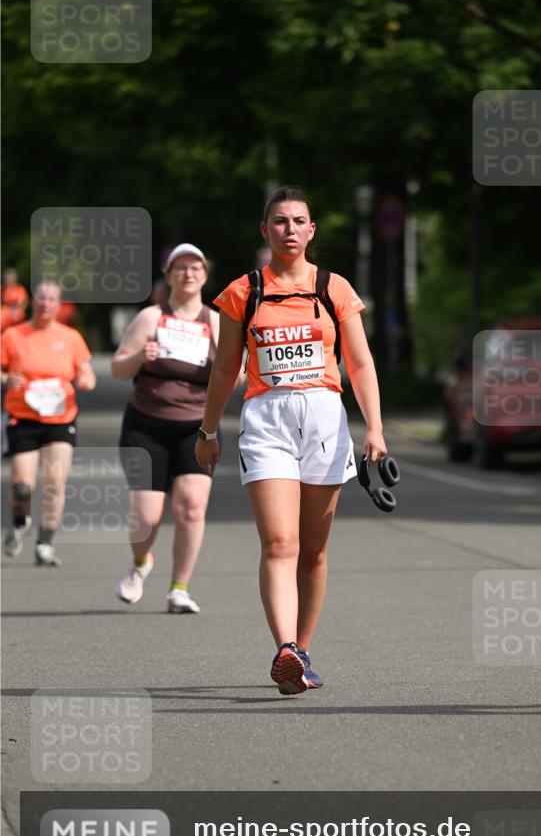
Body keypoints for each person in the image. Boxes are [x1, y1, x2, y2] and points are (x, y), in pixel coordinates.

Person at [195, 186, 388, 695]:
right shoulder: (243, 292)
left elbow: (361, 363)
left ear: (311, 231)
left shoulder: (335, 288)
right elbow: (225, 367)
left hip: (325, 417)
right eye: (279, 221)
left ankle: (302, 650)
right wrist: (208, 429)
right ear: (265, 230)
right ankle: (284, 647)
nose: (289, 229)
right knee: (280, 542)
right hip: (266, 418)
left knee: (314, 551)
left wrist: (377, 428)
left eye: (298, 220)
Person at [111, 243, 220, 613]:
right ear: (169, 275)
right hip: (147, 426)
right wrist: (142, 355)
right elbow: (118, 368)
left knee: (191, 506)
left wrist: (228, 370)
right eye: (180, 268)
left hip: (197, 427)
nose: (188, 274)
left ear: (205, 275)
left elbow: (237, 377)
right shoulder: (151, 317)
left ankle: (179, 588)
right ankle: (141, 563)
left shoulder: (216, 322)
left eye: (195, 268)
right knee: (147, 517)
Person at [1, 280, 96, 565]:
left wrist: (86, 380)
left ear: (58, 305)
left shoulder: (70, 337)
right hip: (23, 417)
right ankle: (20, 521)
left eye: (51, 299)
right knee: (22, 486)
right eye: (41, 298)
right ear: (34, 301)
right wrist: (7, 379)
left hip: (60, 418)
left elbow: (85, 371)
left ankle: (45, 543)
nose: (45, 304)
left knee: (55, 482)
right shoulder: (13, 335)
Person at [1, 268, 29, 333]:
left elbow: (23, 304)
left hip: (16, 310)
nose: (8, 281)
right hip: (5, 310)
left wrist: (15, 308)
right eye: (7, 279)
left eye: (10, 279)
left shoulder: (20, 289)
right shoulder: (3, 289)